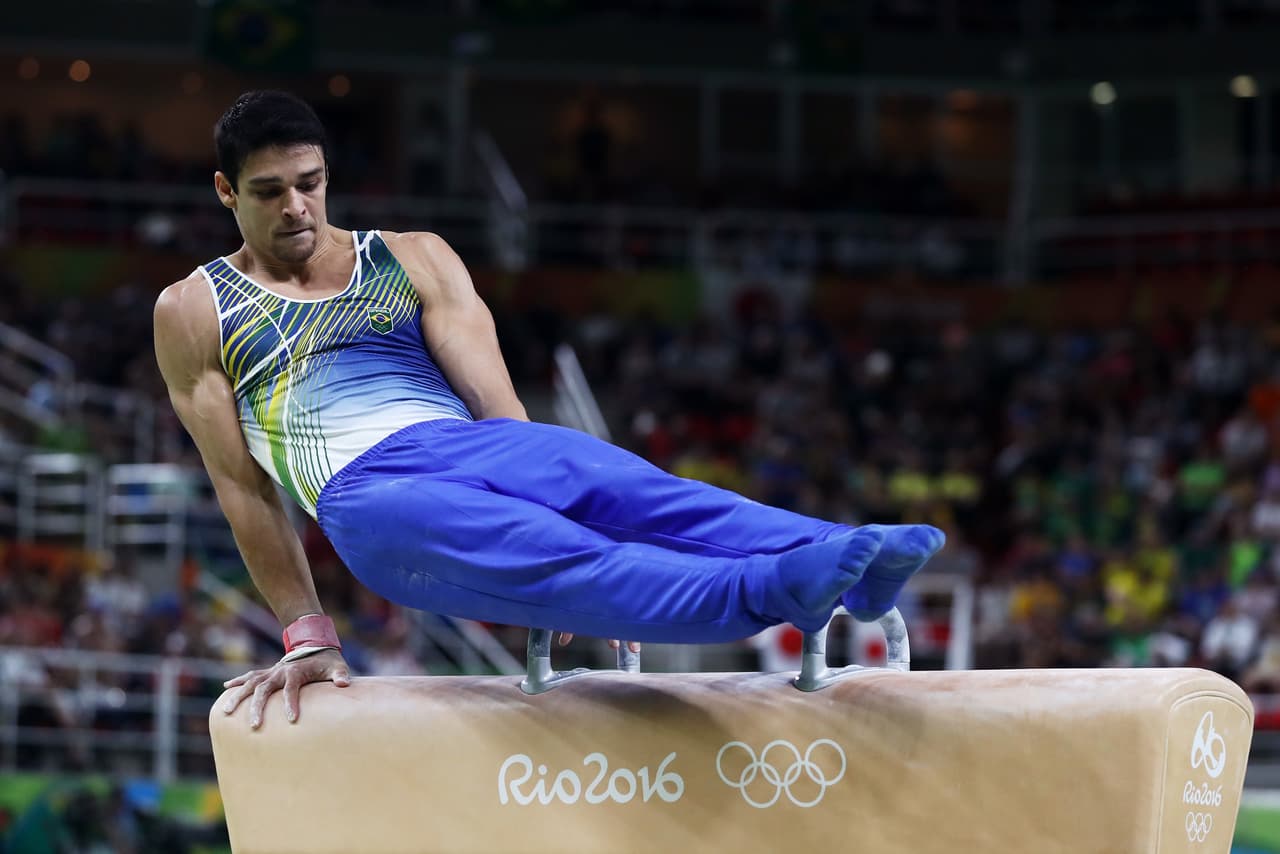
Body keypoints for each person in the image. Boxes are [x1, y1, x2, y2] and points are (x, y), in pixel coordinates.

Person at [153, 90, 944, 730]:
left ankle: (851, 558)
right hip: (370, 499)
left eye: (310, 183)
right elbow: (242, 486)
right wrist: (307, 632)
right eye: (269, 191)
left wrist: (538, 473)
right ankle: (780, 591)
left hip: (474, 447)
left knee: (633, 491)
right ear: (227, 191)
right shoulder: (195, 310)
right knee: (576, 563)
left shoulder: (411, 256)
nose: (297, 207)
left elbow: (496, 406)